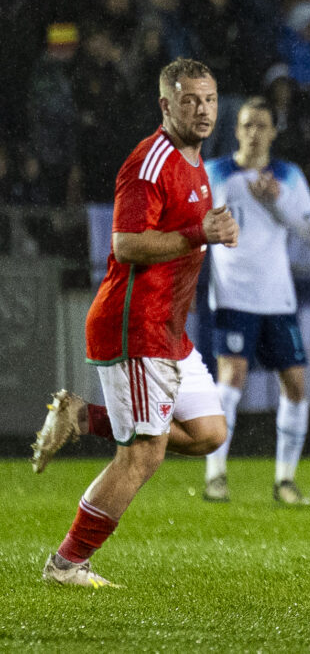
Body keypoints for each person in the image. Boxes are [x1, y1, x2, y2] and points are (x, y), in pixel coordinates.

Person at [30, 57, 239, 587]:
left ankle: (84, 418)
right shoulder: (150, 162)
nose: (202, 109)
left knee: (210, 432)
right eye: (189, 100)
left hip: (170, 333)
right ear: (165, 105)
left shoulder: (195, 163)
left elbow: (192, 233)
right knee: (144, 453)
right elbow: (125, 244)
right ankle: (67, 564)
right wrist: (201, 235)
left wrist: (210, 231)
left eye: (209, 98)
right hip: (134, 327)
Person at [202, 96, 310, 505]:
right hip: (233, 294)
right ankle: (215, 475)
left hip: (277, 297)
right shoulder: (214, 172)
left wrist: (278, 202)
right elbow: (189, 222)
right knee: (231, 379)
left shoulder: (288, 175)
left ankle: (284, 481)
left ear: (273, 131)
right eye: (247, 125)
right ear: (236, 130)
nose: (254, 133)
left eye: (262, 125)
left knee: (296, 385)